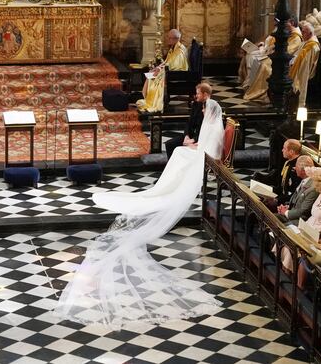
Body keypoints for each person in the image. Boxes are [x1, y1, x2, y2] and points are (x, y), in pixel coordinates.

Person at [55, 99, 225, 328]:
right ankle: (164, 185)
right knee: (179, 153)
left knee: (181, 154)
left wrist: (193, 148)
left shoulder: (215, 127)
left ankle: (168, 185)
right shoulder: (208, 121)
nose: (202, 110)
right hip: (198, 153)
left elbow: (212, 150)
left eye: (205, 108)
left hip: (204, 159)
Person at [242, 18, 302, 101]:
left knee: (262, 64)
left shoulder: (296, 37)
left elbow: (288, 51)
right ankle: (250, 85)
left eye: (286, 22)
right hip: (273, 53)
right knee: (252, 57)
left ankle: (258, 90)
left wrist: (273, 49)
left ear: (292, 23)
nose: (284, 24)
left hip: (282, 60)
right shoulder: (289, 33)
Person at [136, 29, 189, 113]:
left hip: (176, 75)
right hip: (170, 72)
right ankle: (147, 98)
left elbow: (175, 66)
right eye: (168, 37)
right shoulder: (174, 48)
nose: (168, 39)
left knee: (154, 77)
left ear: (176, 39)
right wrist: (158, 68)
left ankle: (152, 102)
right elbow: (167, 62)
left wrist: (160, 70)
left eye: (169, 38)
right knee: (151, 74)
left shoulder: (179, 51)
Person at [164, 83, 210, 160]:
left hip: (201, 140)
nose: (196, 95)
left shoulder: (210, 108)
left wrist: (194, 140)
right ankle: (174, 167)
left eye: (198, 93)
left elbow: (207, 130)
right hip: (190, 136)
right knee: (169, 144)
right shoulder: (196, 104)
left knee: (187, 150)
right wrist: (186, 136)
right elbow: (189, 122)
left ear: (205, 94)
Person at [276, 155, 318, 223]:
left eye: (297, 166)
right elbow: (296, 200)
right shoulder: (304, 180)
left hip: (298, 220)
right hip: (292, 214)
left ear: (303, 170)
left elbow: (303, 211)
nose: (295, 168)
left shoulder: (313, 189)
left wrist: (286, 212)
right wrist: (287, 207)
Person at [288, 21, 321, 106]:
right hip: (296, 65)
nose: (301, 34)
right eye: (302, 31)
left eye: (304, 32)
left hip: (304, 72)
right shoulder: (306, 41)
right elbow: (297, 55)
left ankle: (299, 104)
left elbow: (304, 67)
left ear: (310, 33)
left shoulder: (312, 46)